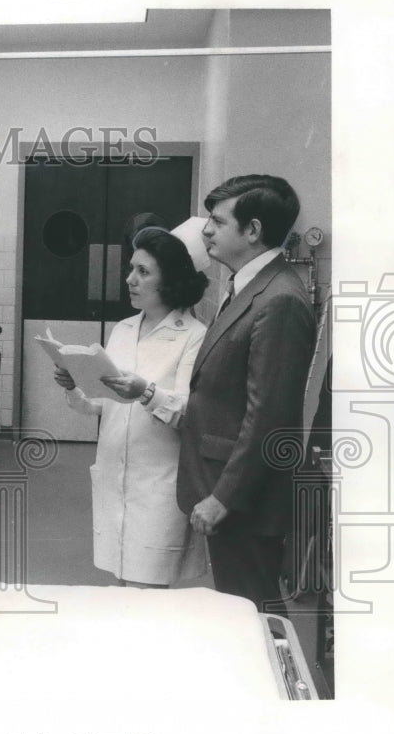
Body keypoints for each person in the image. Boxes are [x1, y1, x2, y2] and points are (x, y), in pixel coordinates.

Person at [177, 174, 315, 614]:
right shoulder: (249, 286)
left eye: (218, 222)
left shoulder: (280, 300)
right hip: (230, 490)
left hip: (246, 503)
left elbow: (269, 417)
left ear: (252, 230)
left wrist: (224, 499)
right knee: (241, 611)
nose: (207, 231)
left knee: (255, 615)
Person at [54, 221, 211, 587]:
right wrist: (74, 387)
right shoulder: (122, 329)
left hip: (158, 484)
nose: (130, 279)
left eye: (143, 271)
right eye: (131, 269)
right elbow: (100, 405)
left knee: (146, 595)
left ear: (169, 280)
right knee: (122, 589)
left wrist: (145, 391)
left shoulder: (194, 336)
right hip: (113, 476)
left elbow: (190, 413)